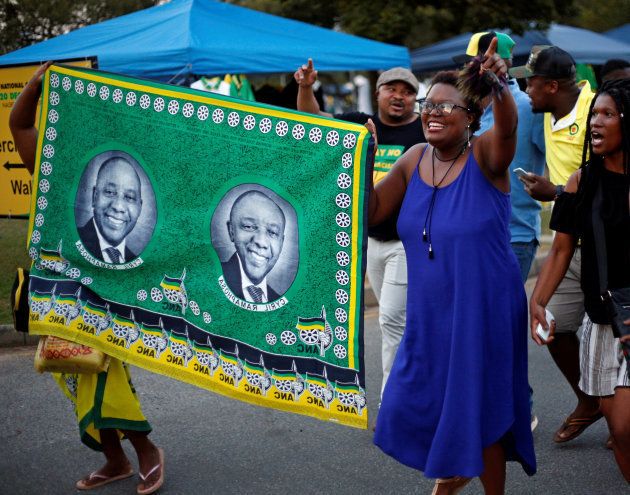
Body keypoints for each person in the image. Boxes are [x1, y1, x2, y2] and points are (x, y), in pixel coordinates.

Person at [370, 39, 535, 494]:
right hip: (432, 311)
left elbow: (508, 131)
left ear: (471, 118)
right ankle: (452, 473)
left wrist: (500, 85)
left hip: (484, 307)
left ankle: (465, 485)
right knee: (410, 400)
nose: (433, 113)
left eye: (448, 106)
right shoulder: (413, 159)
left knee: (482, 406)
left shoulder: (485, 156)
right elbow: (370, 212)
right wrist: (359, 162)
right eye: (429, 105)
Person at [10, 62, 164, 494]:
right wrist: (37, 86)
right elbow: (18, 123)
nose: (118, 203)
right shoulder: (56, 170)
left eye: (130, 196)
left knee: (107, 377)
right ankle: (115, 460)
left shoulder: (142, 167)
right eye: (108, 192)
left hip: (114, 298)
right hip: (61, 299)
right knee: (76, 372)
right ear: (93, 192)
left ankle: (146, 451)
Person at [295, 60, 425, 396]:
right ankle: (421, 382)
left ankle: (393, 401)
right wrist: (306, 87)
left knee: (391, 320)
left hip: (405, 243)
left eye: (408, 91)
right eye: (392, 89)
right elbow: (313, 119)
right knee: (398, 321)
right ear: (378, 93)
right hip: (368, 241)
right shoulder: (359, 124)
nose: (399, 96)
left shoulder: (423, 131)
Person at [529, 78, 630, 481]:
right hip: (605, 321)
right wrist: (537, 301)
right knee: (620, 431)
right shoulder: (581, 181)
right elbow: (560, 249)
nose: (596, 123)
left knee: (625, 426)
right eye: (594, 115)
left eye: (607, 114)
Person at [510, 45, 602, 443]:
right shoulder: (546, 112)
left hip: (607, 244)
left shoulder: (598, 112)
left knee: (618, 333)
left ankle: (620, 414)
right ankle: (590, 399)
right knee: (553, 327)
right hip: (569, 241)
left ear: (550, 85)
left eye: (530, 82)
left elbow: (612, 185)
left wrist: (556, 193)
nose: (525, 89)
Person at [460, 31, 546, 430]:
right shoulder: (464, 105)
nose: (476, 66)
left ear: (506, 63)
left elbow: (550, 156)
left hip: (513, 233)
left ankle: (517, 408)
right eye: (473, 59)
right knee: (475, 325)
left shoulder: (527, 106)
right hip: (469, 233)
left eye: (486, 60)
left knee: (502, 324)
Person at [222, 190, 285, 302]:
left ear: (282, 242)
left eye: (273, 232)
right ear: (231, 231)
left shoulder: (279, 302)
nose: (261, 242)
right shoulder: (208, 279)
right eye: (249, 226)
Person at [78, 156, 143, 263]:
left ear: (140, 207)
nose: (118, 207)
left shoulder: (137, 263)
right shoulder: (69, 243)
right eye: (109, 192)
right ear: (94, 196)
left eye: (130, 197)